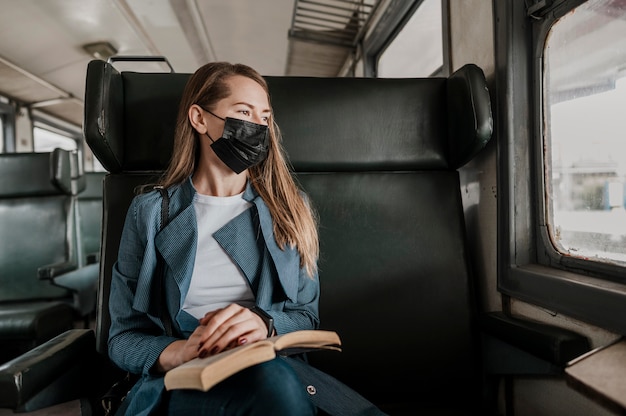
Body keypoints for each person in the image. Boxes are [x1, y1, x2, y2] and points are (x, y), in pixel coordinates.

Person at [107, 62, 386, 416]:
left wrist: (264, 323)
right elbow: (122, 340)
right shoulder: (149, 213)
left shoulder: (288, 209)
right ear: (199, 118)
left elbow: (305, 315)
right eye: (243, 112)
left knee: (274, 383)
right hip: (184, 381)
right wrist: (178, 352)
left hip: (276, 370)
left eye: (265, 118)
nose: (257, 126)